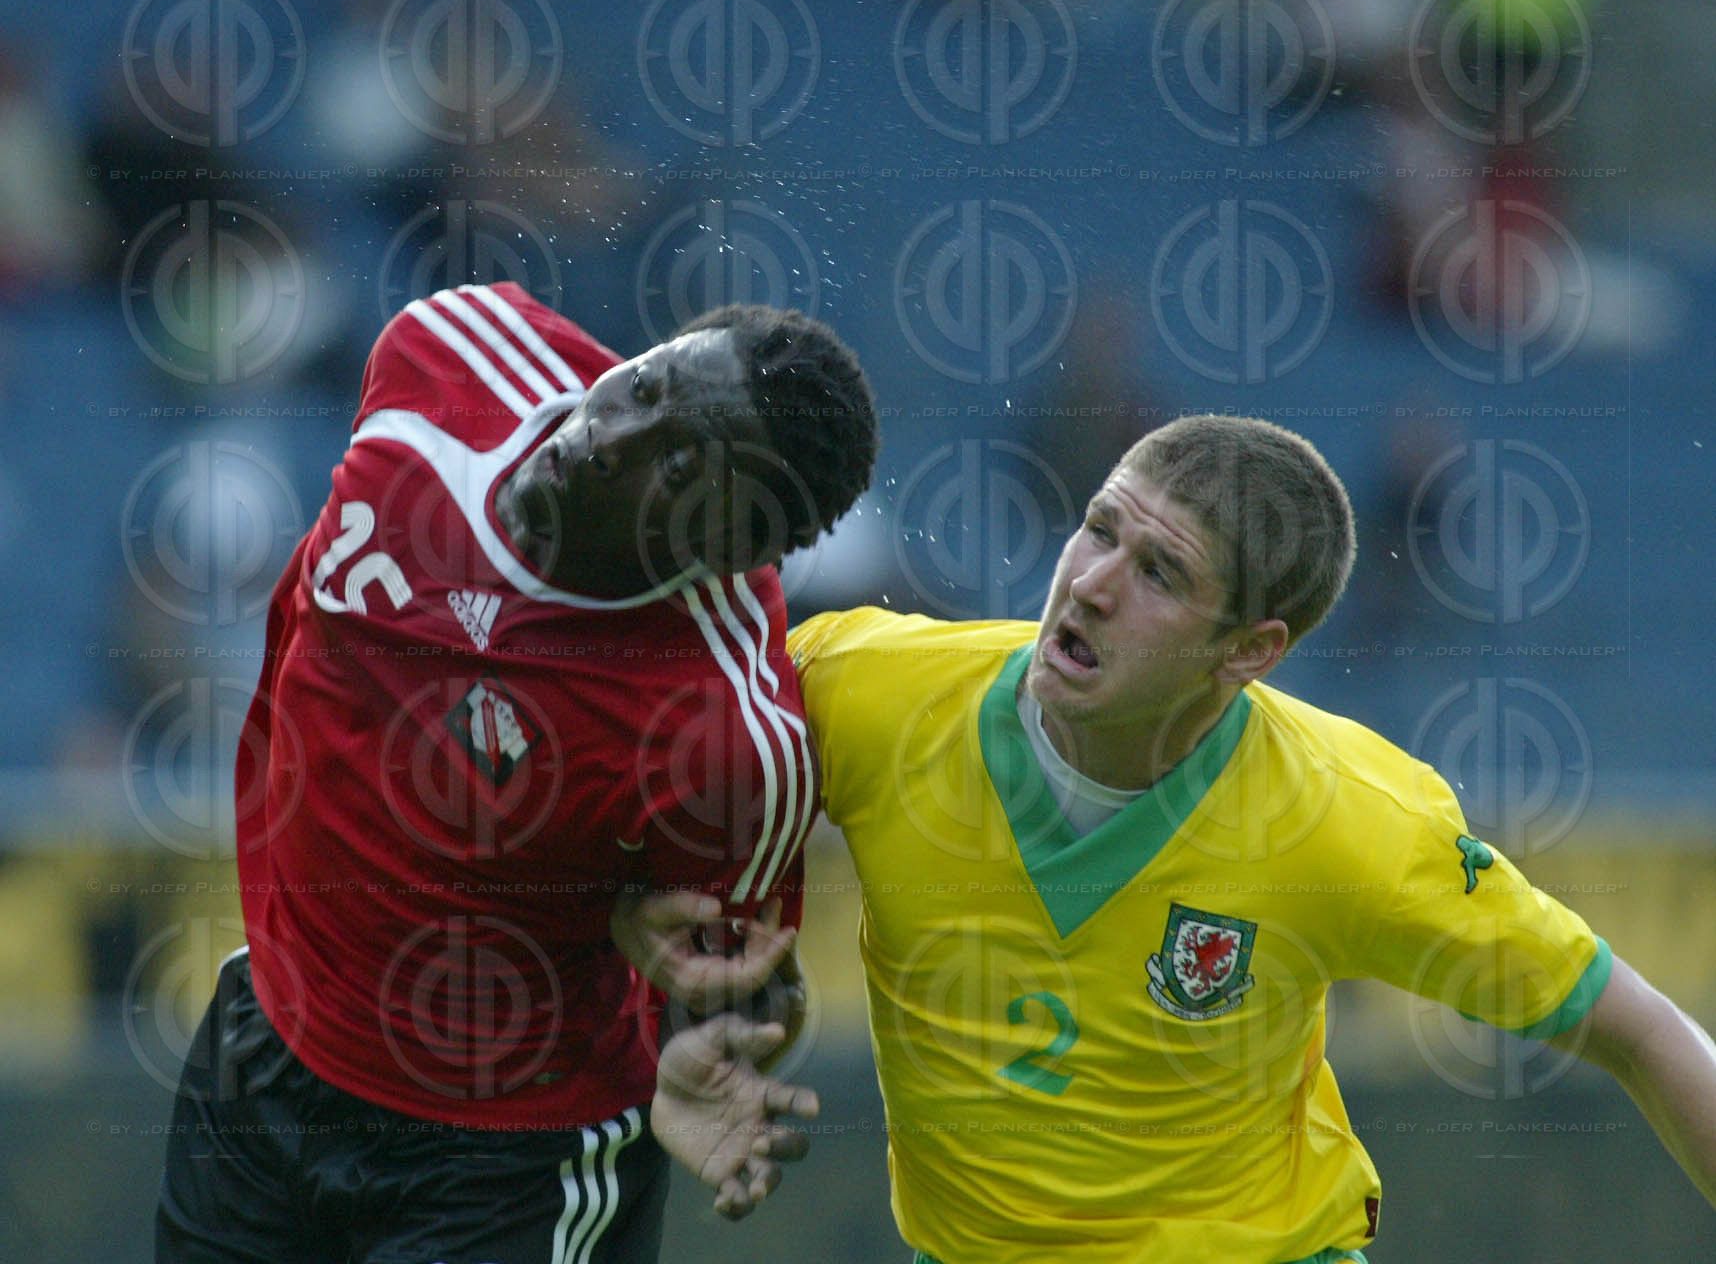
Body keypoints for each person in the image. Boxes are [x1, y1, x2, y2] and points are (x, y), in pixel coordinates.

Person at [624, 413, 1716, 1262]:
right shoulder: (863, 693)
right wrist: (670, 1003)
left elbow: (1643, 1031)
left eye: (1160, 572)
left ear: (1249, 651)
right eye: (1100, 527)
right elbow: (598, 821)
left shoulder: (1351, 824)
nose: (1092, 584)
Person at [157, 280, 872, 1264]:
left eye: (678, 471)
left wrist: (708, 1045)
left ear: (724, 553)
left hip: (502, 1168)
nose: (615, 437)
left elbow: (730, 983)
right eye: (648, 386)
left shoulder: (723, 739)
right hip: (267, 1052)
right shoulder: (447, 352)